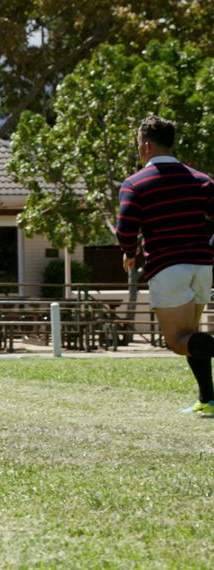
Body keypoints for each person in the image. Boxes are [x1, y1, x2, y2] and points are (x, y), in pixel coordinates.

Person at [117, 115, 214, 417]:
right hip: (202, 266)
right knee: (193, 335)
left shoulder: (135, 183)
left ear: (145, 145)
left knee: (178, 342)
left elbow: (125, 229)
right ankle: (208, 399)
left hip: (168, 267)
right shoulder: (202, 180)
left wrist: (129, 252)